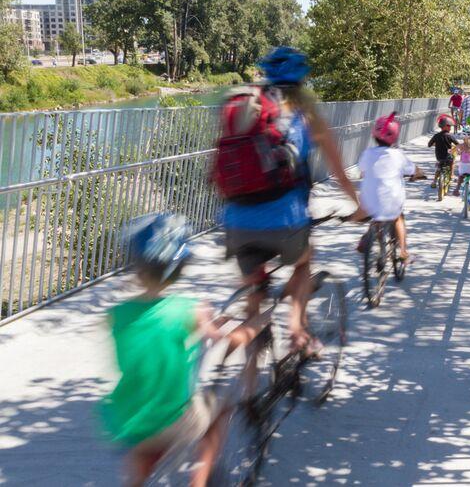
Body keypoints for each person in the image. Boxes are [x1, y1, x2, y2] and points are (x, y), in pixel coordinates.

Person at [100, 213, 274, 487]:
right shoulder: (189, 309)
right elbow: (232, 340)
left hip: (128, 417)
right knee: (221, 410)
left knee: (142, 455)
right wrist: (257, 323)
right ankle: (199, 480)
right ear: (179, 267)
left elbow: (151, 332)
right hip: (175, 416)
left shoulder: (117, 315)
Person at [220, 47, 362, 352]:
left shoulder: (246, 107)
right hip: (286, 219)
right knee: (303, 261)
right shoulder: (308, 113)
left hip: (236, 220)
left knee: (254, 297)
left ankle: (246, 389)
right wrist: (361, 207)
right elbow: (340, 174)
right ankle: (297, 331)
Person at [358, 112, 424, 260]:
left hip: (367, 202)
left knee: (375, 214)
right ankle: (403, 252)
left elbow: (362, 172)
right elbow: (413, 169)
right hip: (391, 202)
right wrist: (419, 174)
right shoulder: (398, 155)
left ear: (374, 135)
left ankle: (367, 237)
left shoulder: (367, 153)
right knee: (398, 217)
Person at [428, 114, 459, 193]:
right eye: (449, 126)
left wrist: (436, 144)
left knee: (439, 167)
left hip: (439, 157)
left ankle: (434, 181)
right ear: (445, 126)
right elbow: (458, 145)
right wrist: (454, 150)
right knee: (452, 161)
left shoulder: (436, 136)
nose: (450, 128)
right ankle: (451, 175)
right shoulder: (450, 136)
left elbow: (429, 145)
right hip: (448, 157)